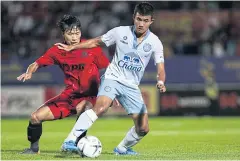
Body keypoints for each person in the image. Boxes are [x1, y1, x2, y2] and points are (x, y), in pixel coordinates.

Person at [57, 2, 166, 155]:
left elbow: (160, 67)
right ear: (133, 17)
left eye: (145, 20)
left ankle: (122, 148)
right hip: (112, 77)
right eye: (139, 19)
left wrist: (160, 81)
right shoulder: (120, 32)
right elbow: (95, 42)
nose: (141, 24)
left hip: (131, 86)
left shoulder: (155, 42)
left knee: (143, 128)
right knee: (101, 107)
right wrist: (72, 47)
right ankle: (69, 140)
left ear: (151, 21)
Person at [17, 15, 110, 154]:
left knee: (84, 108)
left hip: (89, 96)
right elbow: (36, 63)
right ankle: (33, 149)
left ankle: (77, 144)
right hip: (69, 96)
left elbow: (108, 69)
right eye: (70, 34)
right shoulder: (57, 50)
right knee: (35, 117)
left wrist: (110, 91)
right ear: (63, 34)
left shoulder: (92, 48)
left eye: (77, 33)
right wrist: (29, 72)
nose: (74, 37)